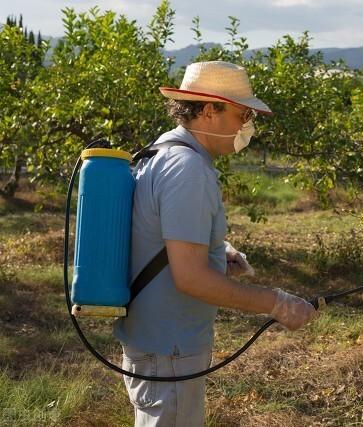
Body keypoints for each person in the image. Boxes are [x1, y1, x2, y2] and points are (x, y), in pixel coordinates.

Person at [113, 61, 318, 427]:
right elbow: (190, 279)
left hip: (156, 341)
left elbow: (159, 236)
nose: (246, 125)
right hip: (169, 348)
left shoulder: (162, 151)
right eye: (242, 114)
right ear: (209, 110)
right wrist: (277, 303)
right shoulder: (188, 169)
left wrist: (215, 251)